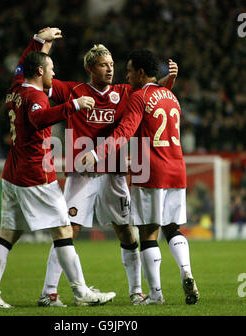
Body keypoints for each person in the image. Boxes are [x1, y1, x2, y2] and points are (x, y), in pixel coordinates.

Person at [0, 27, 116, 308]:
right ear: (40, 72)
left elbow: (24, 62)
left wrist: (40, 42)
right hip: (35, 175)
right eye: (50, 67)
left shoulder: (17, 86)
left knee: (7, 233)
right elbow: (40, 119)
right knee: (64, 230)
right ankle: (81, 292)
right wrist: (73, 104)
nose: (54, 72)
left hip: (12, 172)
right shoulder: (37, 98)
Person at [38, 42, 178, 306]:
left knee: (126, 231)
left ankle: (136, 292)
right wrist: (41, 47)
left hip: (114, 173)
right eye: (104, 65)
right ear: (91, 68)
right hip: (82, 175)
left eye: (113, 65)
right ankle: (49, 293)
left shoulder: (124, 92)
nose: (110, 69)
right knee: (68, 230)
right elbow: (39, 75)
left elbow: (152, 93)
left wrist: (169, 79)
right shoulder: (72, 91)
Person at [82, 48, 199, 305]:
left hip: (151, 169)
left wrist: (99, 153)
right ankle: (186, 271)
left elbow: (125, 130)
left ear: (141, 73)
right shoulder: (171, 95)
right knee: (173, 227)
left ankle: (155, 295)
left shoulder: (138, 97)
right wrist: (169, 82)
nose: (126, 75)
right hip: (178, 168)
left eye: (130, 71)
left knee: (147, 232)